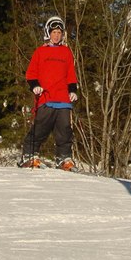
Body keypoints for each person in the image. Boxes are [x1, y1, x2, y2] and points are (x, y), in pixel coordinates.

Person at [19, 16, 78, 170]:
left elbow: (71, 74)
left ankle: (63, 158)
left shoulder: (66, 52)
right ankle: (29, 155)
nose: (56, 35)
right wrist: (35, 86)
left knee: (65, 130)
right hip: (46, 97)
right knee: (40, 128)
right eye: (54, 32)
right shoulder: (40, 52)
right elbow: (31, 73)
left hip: (63, 99)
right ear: (48, 33)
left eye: (59, 32)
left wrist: (72, 90)